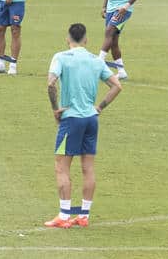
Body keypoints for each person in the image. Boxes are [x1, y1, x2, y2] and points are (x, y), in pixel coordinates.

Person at [44, 21, 122, 228]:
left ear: (67, 39)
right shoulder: (95, 60)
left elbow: (51, 83)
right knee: (88, 167)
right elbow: (117, 86)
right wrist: (100, 107)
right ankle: (84, 215)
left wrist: (55, 108)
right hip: (91, 119)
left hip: (71, 120)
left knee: (61, 166)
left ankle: (64, 215)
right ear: (86, 40)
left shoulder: (61, 57)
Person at [98, 0, 141, 80]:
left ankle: (98, 62)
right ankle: (121, 72)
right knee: (113, 41)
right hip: (111, 8)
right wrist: (104, 6)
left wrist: (126, 6)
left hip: (123, 10)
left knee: (109, 31)